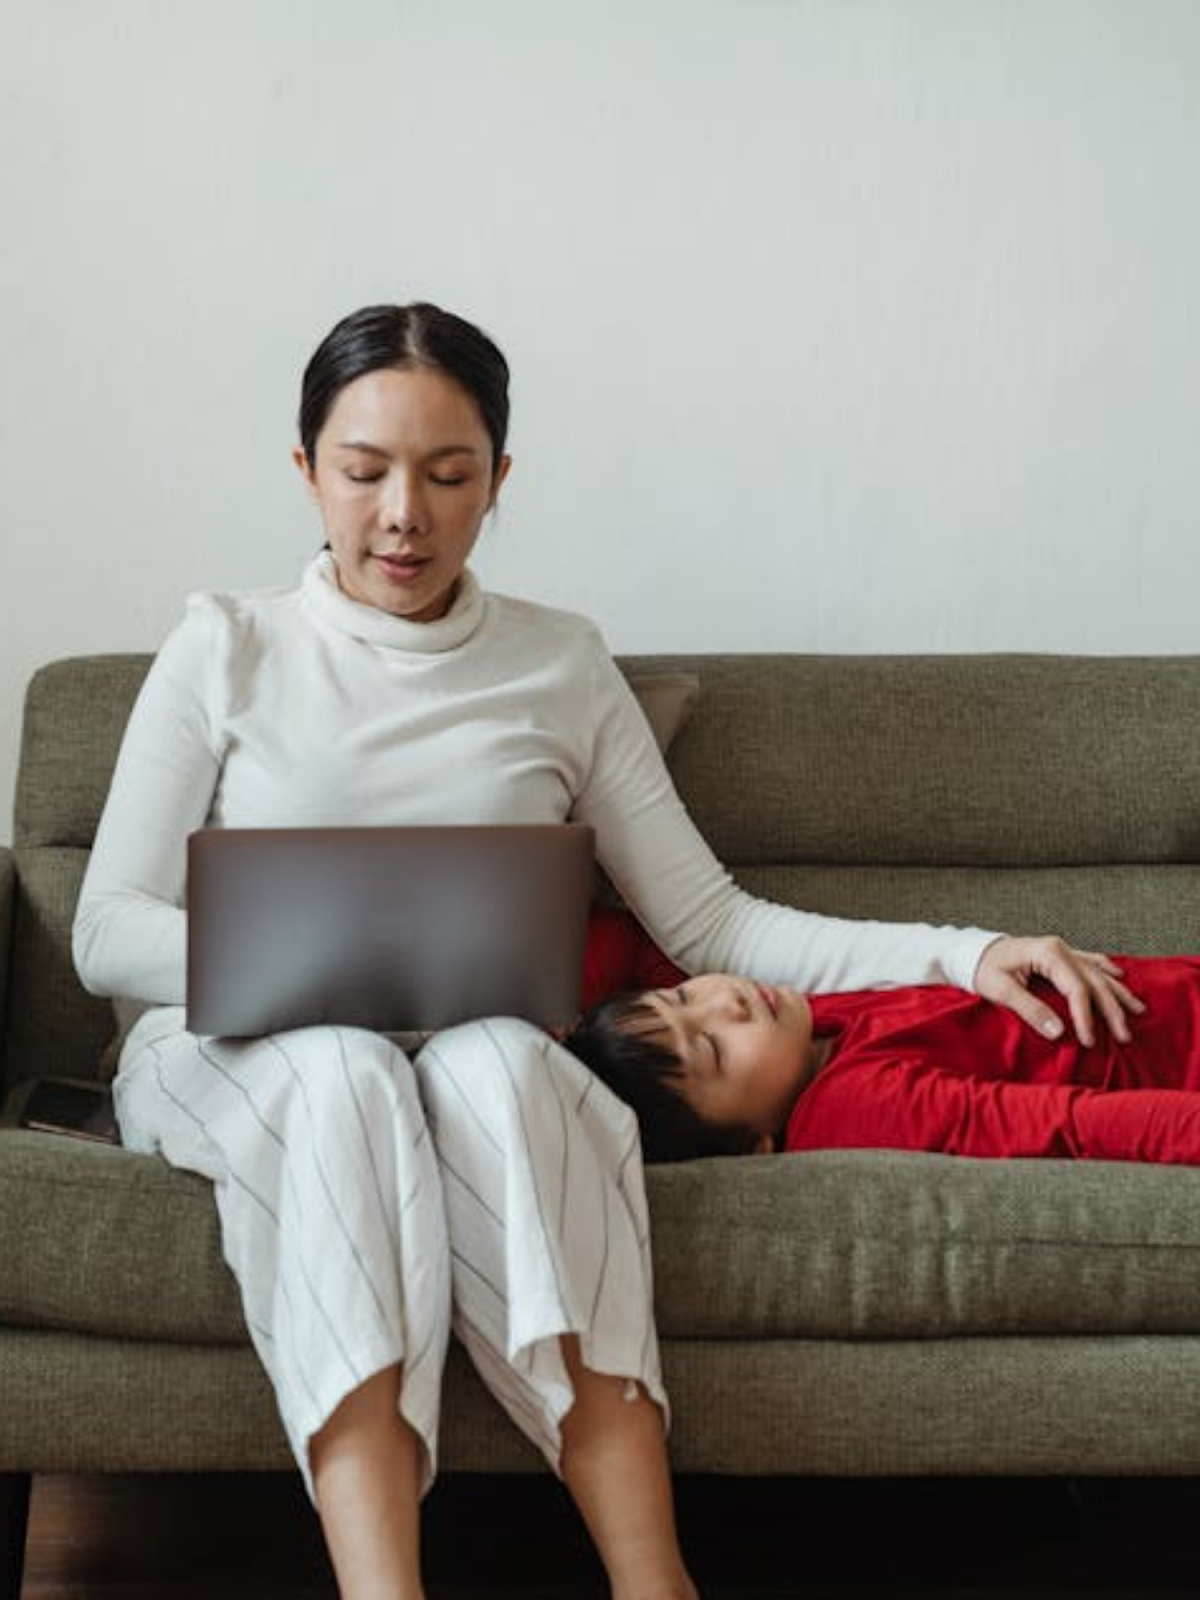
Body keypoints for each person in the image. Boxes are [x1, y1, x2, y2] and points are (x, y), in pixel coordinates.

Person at [72, 300, 1138, 1600]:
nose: (403, 514)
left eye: (448, 475)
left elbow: (715, 927)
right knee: (348, 1069)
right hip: (239, 1046)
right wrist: (335, 967)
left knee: (514, 1068)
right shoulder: (225, 646)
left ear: (498, 480)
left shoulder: (561, 663)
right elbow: (106, 930)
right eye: (363, 472)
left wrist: (966, 951)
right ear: (306, 472)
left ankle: (653, 1582)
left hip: (464, 1045)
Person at [567, 915, 1200, 1169]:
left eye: (682, 997)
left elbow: (616, 937)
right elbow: (1074, 1126)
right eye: (713, 1049)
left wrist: (559, 1037)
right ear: (751, 1146)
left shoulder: (800, 1028)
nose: (723, 1003)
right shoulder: (852, 1106)